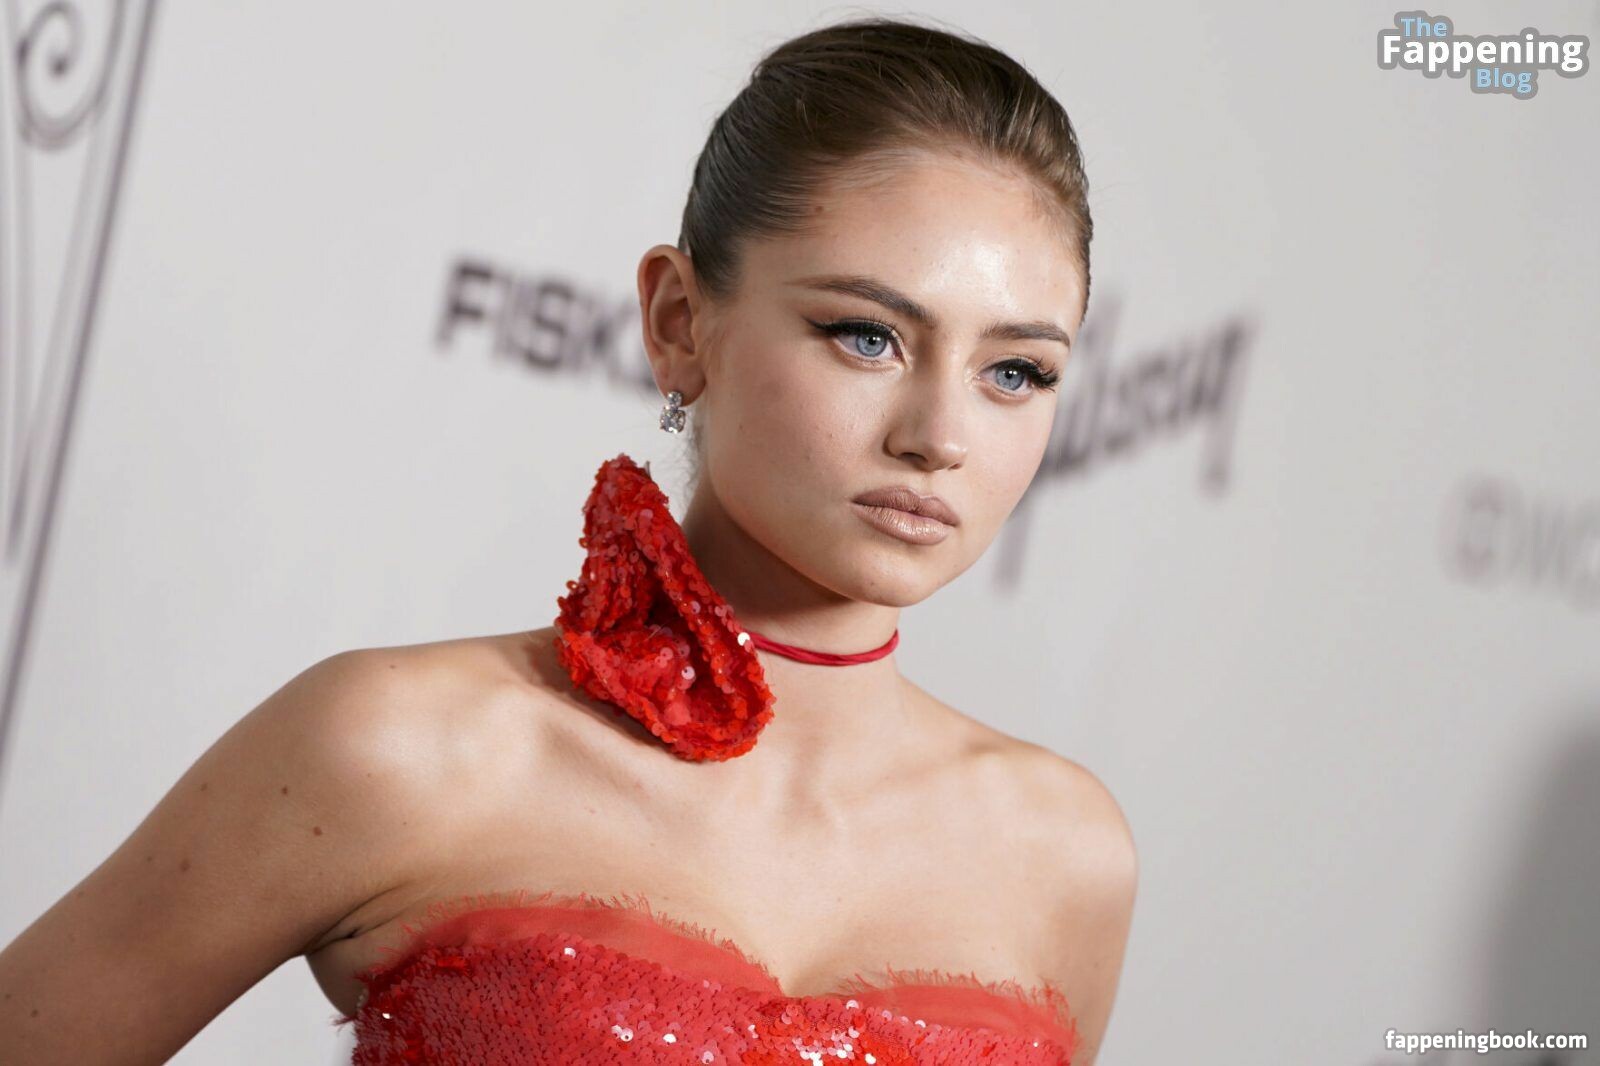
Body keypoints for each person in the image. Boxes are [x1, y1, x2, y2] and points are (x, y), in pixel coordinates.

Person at [0, 14, 1135, 1064]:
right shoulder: (398, 746)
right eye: (866, 336)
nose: (940, 437)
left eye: (1014, 371)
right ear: (679, 323)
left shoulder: (1065, 856)